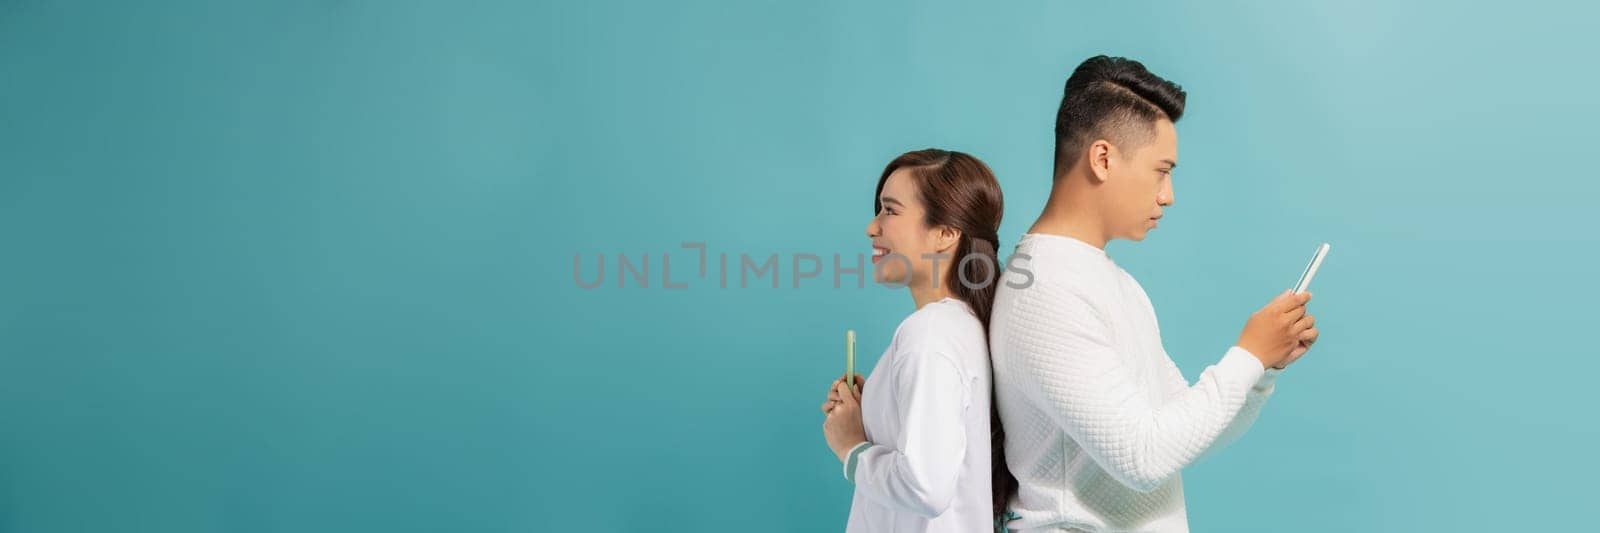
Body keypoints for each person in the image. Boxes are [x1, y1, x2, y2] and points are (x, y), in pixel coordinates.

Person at [988, 56, 1322, 532]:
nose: (1168, 195)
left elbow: (1181, 437)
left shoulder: (1115, 283)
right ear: (1102, 159)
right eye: (1160, 171)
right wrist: (1246, 354)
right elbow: (1140, 458)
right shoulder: (1043, 288)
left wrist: (1263, 369)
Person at [820, 148, 1006, 532]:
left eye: (890, 210)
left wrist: (850, 448)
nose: (872, 227)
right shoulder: (962, 327)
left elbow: (926, 487)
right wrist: (876, 408)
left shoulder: (929, 334)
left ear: (945, 234)